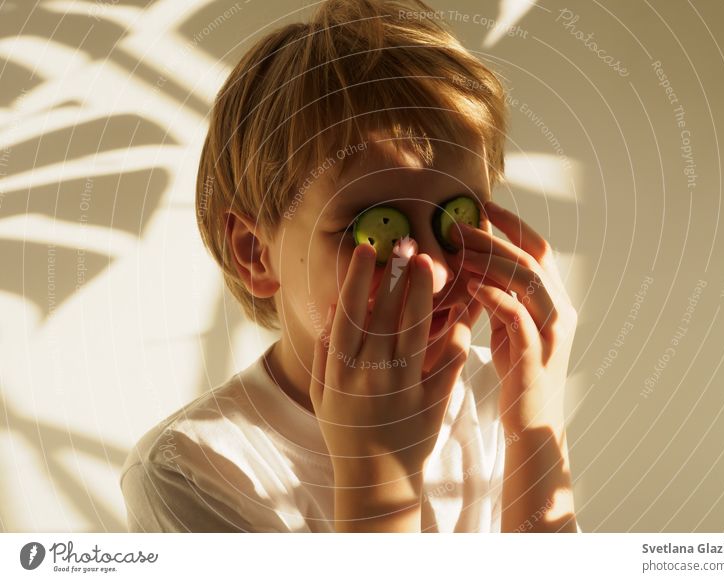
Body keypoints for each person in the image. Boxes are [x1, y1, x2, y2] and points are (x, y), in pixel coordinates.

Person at [120, 0, 580, 533]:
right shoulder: (191, 471)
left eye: (456, 221)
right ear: (255, 251)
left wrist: (537, 421)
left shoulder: (497, 394)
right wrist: (378, 481)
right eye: (376, 228)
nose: (431, 270)